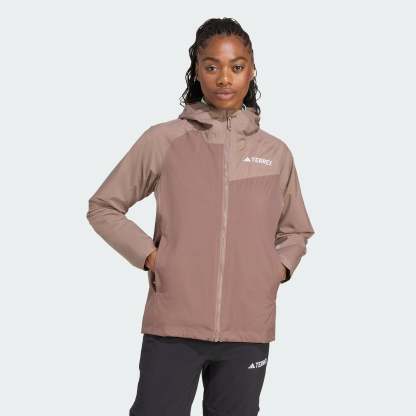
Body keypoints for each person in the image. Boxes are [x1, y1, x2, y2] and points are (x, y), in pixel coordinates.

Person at [87, 17, 315, 416]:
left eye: (236, 66)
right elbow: (104, 206)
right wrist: (153, 257)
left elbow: (296, 230)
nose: (224, 78)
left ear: (252, 71)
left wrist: (276, 269)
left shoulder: (275, 153)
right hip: (173, 325)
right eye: (212, 66)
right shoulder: (164, 140)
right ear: (197, 71)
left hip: (248, 327)